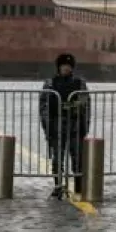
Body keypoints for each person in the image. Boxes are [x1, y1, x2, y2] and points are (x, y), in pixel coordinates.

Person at [39, 53, 91, 199]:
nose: (66, 68)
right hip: (56, 127)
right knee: (57, 159)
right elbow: (44, 107)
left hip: (75, 127)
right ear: (59, 67)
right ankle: (58, 186)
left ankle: (80, 187)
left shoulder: (80, 83)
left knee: (78, 159)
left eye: (68, 66)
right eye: (63, 66)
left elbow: (85, 103)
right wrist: (47, 127)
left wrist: (83, 127)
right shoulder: (49, 84)